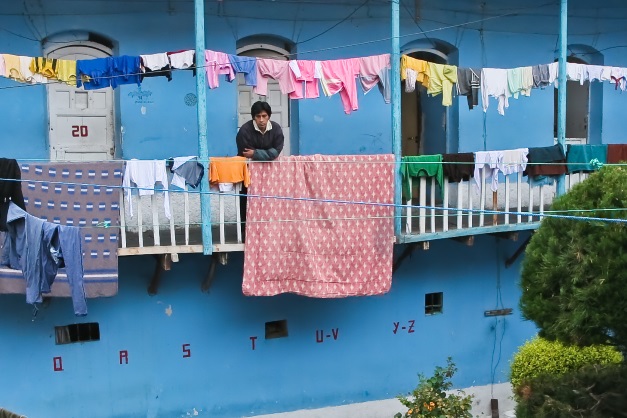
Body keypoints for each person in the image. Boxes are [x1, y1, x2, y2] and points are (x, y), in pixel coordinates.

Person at [236, 101, 284, 237]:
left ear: (269, 116)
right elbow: (246, 153)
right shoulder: (244, 131)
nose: (261, 120)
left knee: (270, 200)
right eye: (258, 116)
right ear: (253, 117)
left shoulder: (276, 129)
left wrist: (256, 153)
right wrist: (266, 154)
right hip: (249, 173)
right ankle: (246, 231)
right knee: (247, 200)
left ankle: (270, 230)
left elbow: (276, 152)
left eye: (264, 116)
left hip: (271, 174)